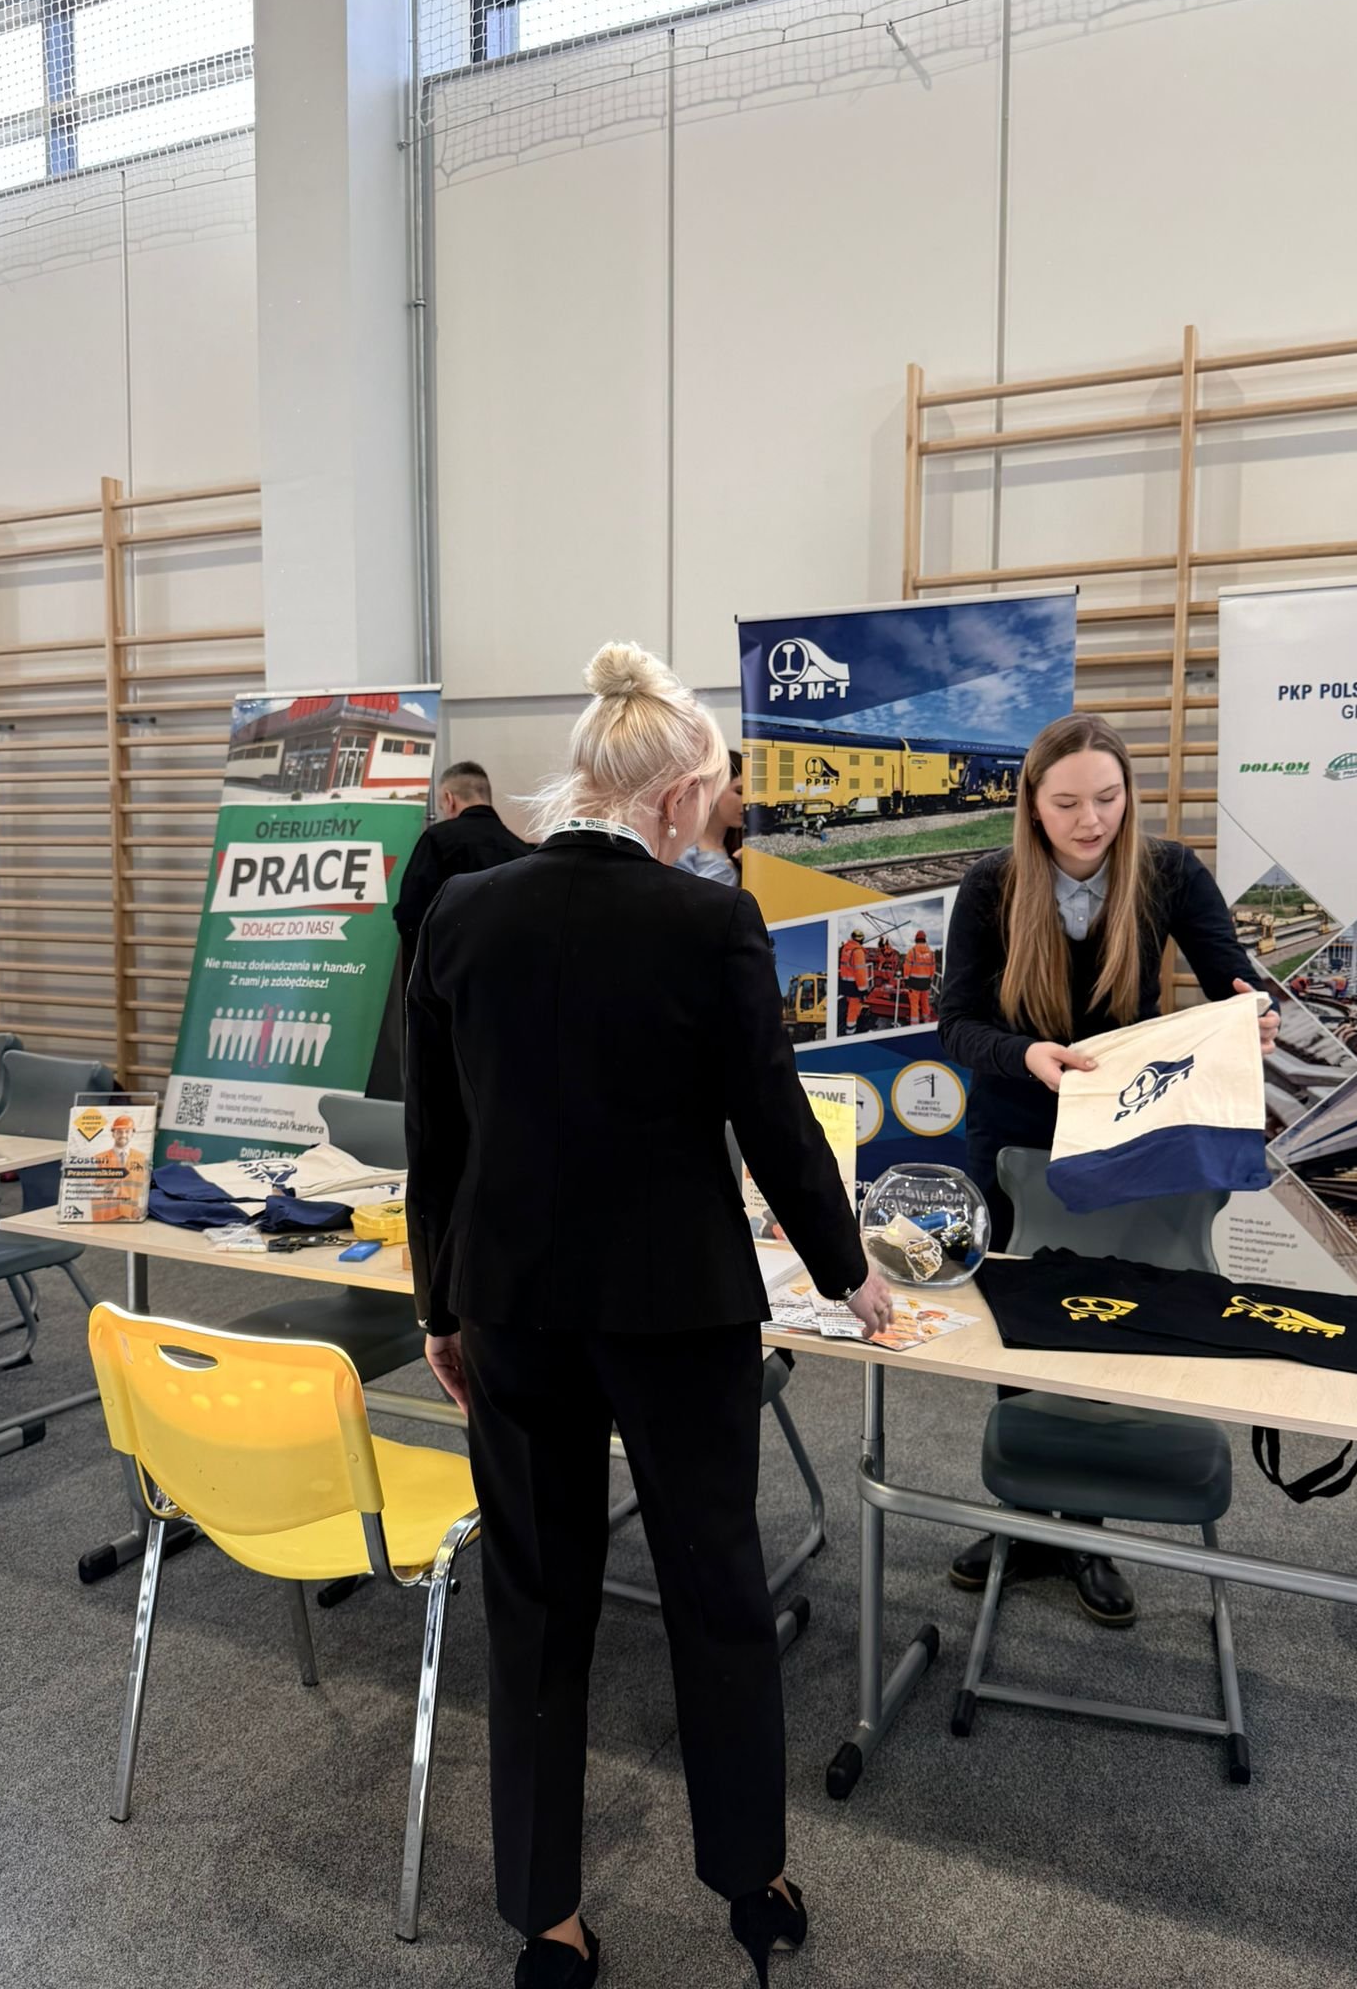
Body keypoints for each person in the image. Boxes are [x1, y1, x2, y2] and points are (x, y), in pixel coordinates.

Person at [406, 643, 891, 1989]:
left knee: (534, 1601)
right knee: (714, 1589)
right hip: (679, 1312)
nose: (719, 816)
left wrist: (439, 1303)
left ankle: (544, 1920)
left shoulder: (462, 914)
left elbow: (437, 1137)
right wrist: (850, 1271)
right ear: (679, 795)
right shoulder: (710, 921)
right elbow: (775, 1124)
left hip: (509, 1305)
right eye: (717, 796)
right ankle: (750, 1879)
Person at [937, 713, 1278, 1627]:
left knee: (1103, 1316)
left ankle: (1083, 1528)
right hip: (1016, 1136)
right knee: (1018, 1322)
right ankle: (1027, 1515)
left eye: (1108, 798)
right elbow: (956, 1024)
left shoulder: (1169, 873)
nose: (1091, 821)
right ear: (1031, 806)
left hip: (1126, 1135)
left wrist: (1253, 1016)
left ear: (1130, 795)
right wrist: (1026, 1056)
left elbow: (1232, 980)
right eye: (1067, 804)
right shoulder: (990, 884)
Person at [393, 760, 529, 959]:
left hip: (450, 969)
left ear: (450, 800)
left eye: (442, 808)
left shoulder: (437, 840)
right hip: (509, 968)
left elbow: (411, 914)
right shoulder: (522, 850)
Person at [676, 747, 743, 884]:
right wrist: (732, 864)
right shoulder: (683, 846)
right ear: (715, 788)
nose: (747, 801)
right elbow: (683, 893)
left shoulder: (739, 844)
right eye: (739, 791)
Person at [837, 927, 871, 1035]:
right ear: (862, 939)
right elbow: (860, 973)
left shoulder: (845, 949)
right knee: (854, 1008)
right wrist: (863, 990)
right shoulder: (858, 952)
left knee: (848, 1006)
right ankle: (850, 1031)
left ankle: (848, 1026)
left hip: (844, 984)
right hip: (854, 986)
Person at [903, 927, 937, 1025]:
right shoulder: (931, 953)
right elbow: (933, 969)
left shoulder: (912, 951)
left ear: (916, 939)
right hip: (925, 983)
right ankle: (927, 1021)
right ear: (924, 940)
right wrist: (930, 980)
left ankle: (914, 1025)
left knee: (914, 1005)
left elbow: (907, 967)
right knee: (925, 1003)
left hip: (914, 983)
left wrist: (906, 980)